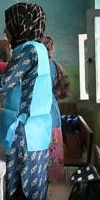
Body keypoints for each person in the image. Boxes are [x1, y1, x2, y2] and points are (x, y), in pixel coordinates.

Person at [0, 3, 52, 200]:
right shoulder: (39, 49)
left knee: (29, 197)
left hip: (26, 136)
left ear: (21, 26)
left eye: (8, 26)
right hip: (37, 132)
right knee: (35, 194)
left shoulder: (28, 51)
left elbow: (0, 86)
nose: (5, 31)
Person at [40, 35, 70, 182]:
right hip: (53, 115)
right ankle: (55, 187)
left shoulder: (34, 65)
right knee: (54, 156)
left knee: (38, 159)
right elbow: (63, 92)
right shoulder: (55, 66)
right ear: (51, 48)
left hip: (38, 119)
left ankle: (39, 187)